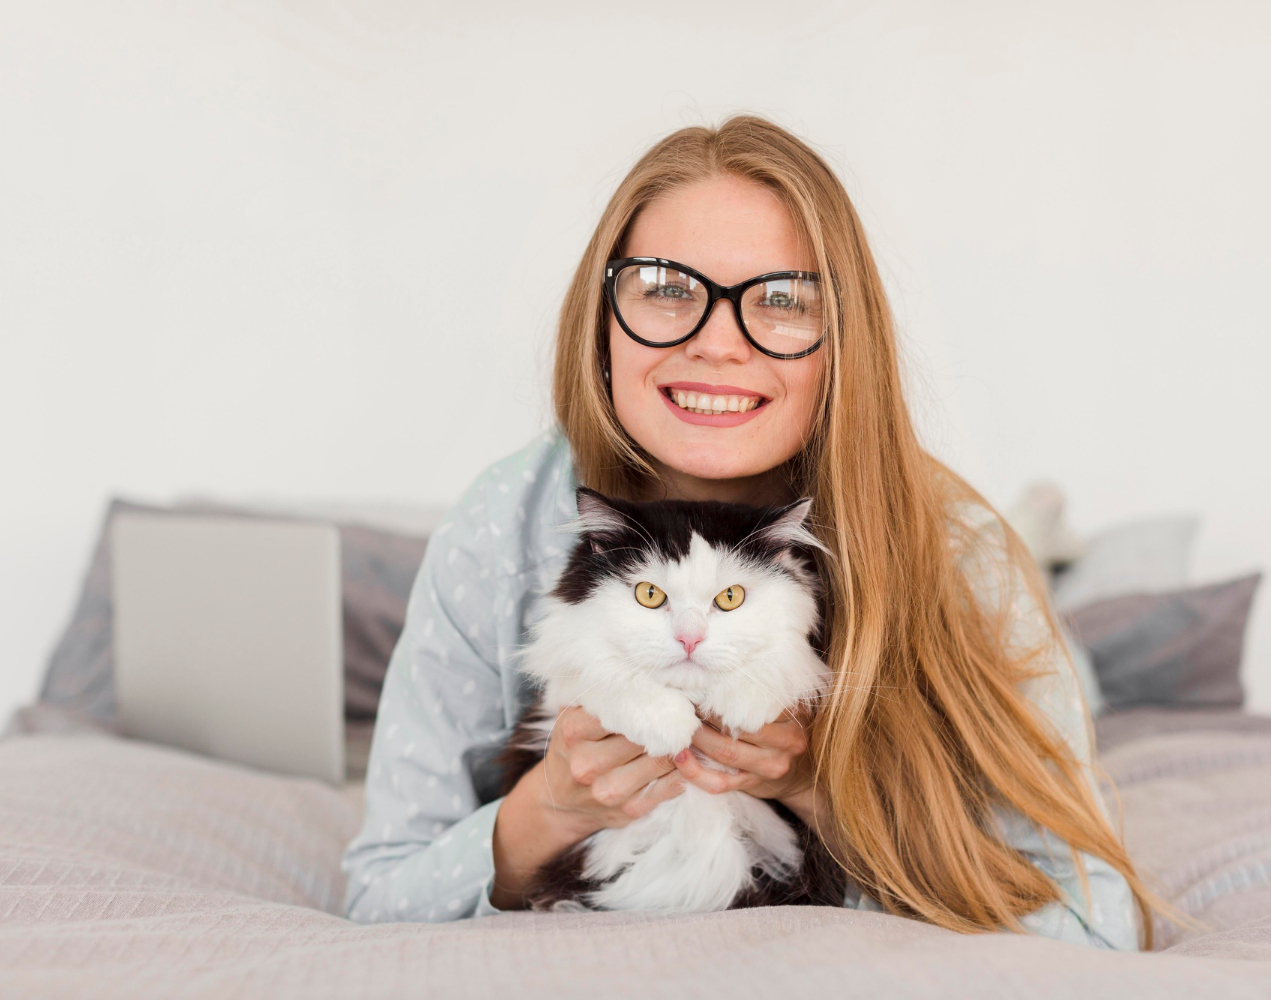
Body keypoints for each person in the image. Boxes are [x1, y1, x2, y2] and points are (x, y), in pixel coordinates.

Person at [342, 116, 1167, 947]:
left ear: (843, 343)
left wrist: (815, 787)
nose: (717, 344)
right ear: (602, 317)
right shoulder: (500, 522)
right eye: (666, 286)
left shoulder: (963, 553)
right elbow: (378, 896)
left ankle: (1057, 554)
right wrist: (548, 808)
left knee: (1079, 657)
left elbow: (1094, 928)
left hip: (975, 606)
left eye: (780, 300)